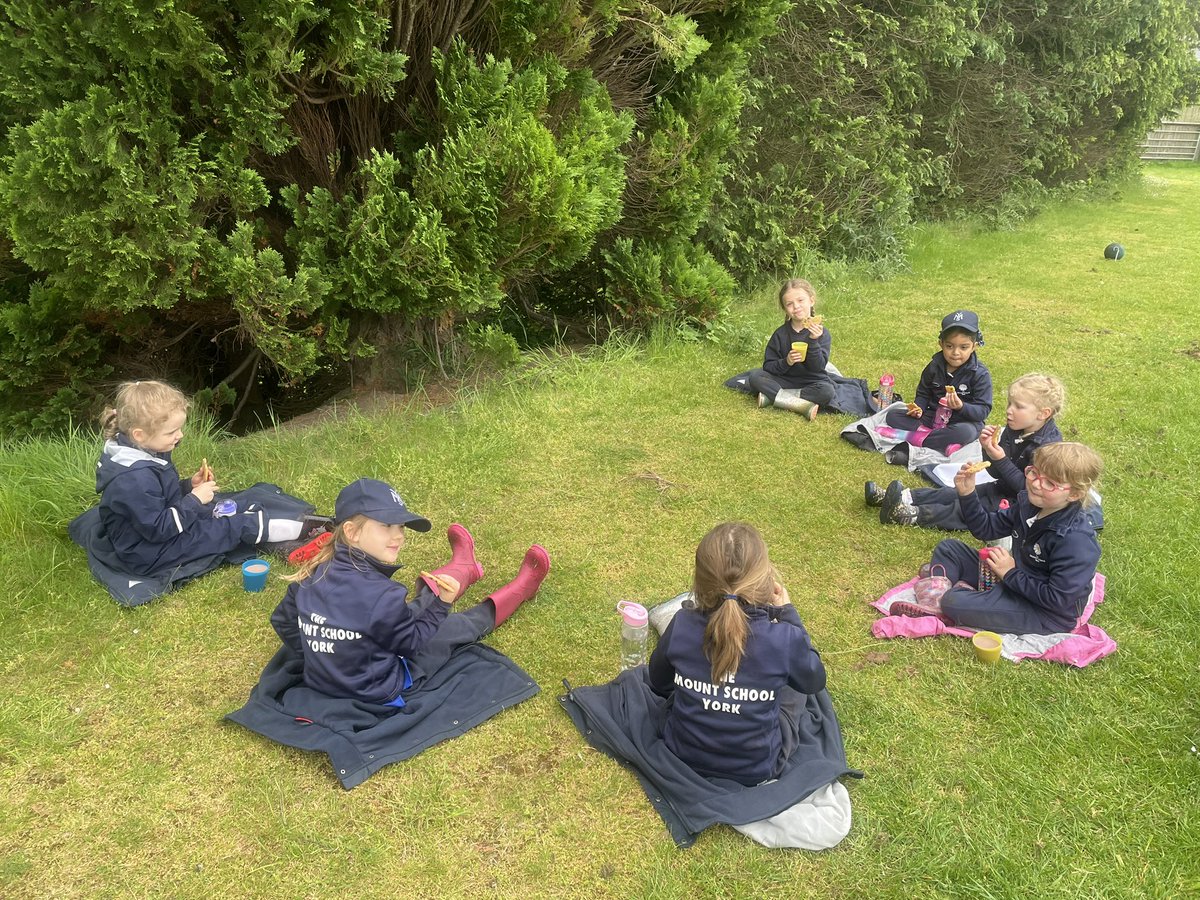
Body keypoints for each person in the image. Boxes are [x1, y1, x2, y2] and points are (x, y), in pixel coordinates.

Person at [270, 478, 550, 706]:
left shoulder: (311, 573)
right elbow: (412, 644)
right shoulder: (383, 595)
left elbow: (282, 620)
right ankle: (521, 588)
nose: (399, 535)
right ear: (352, 532)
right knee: (456, 625)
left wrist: (321, 655)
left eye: (401, 526)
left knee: (412, 611)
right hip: (378, 688)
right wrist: (442, 606)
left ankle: (464, 568)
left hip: (324, 679)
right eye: (387, 526)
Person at [647, 523, 827, 786]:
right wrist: (788, 615)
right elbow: (814, 681)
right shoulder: (784, 640)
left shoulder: (682, 624)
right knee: (796, 681)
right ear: (765, 581)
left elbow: (658, 682)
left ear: (699, 583)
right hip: (758, 767)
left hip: (681, 753)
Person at [95, 380, 309, 576]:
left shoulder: (142, 450)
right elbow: (158, 529)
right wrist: (194, 500)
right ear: (139, 435)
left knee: (223, 510)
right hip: (149, 552)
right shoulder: (133, 478)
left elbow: (158, 495)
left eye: (179, 429)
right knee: (230, 527)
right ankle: (301, 533)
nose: (180, 436)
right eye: (171, 433)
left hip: (159, 533)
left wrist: (189, 486)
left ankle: (283, 527)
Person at [890, 442, 1103, 635]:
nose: (1036, 484)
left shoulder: (1076, 541)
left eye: (1050, 483)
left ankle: (948, 597)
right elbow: (986, 528)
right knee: (949, 549)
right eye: (1034, 473)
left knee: (955, 601)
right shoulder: (1029, 505)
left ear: (1074, 494)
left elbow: (1056, 600)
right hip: (1013, 579)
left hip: (1044, 613)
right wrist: (967, 494)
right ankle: (936, 601)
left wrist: (1010, 572)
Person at [873, 373, 1065, 528]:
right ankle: (904, 497)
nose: (1009, 410)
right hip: (1000, 488)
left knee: (966, 509)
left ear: (1043, 413)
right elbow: (993, 472)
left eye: (1018, 407)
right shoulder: (1014, 428)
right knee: (957, 493)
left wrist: (1001, 458)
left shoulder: (1048, 448)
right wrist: (987, 449)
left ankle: (909, 515)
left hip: (1020, 506)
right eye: (1009, 404)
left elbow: (1027, 489)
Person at [877, 310, 993, 456]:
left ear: (974, 346)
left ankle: (914, 438)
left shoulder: (980, 374)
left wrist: (961, 406)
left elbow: (983, 410)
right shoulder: (934, 367)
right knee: (892, 415)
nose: (956, 352)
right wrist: (918, 409)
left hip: (962, 421)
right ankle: (943, 442)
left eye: (963, 347)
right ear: (941, 344)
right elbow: (923, 393)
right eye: (949, 346)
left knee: (966, 432)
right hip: (932, 417)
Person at [748, 279, 837, 420]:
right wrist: (786, 362)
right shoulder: (780, 334)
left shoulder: (822, 333)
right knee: (755, 376)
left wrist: (813, 341)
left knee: (827, 391)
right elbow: (768, 366)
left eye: (801, 300)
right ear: (785, 309)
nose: (796, 307)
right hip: (784, 379)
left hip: (811, 381)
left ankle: (773, 398)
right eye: (789, 304)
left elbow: (818, 367)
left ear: (811, 301)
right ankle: (801, 405)